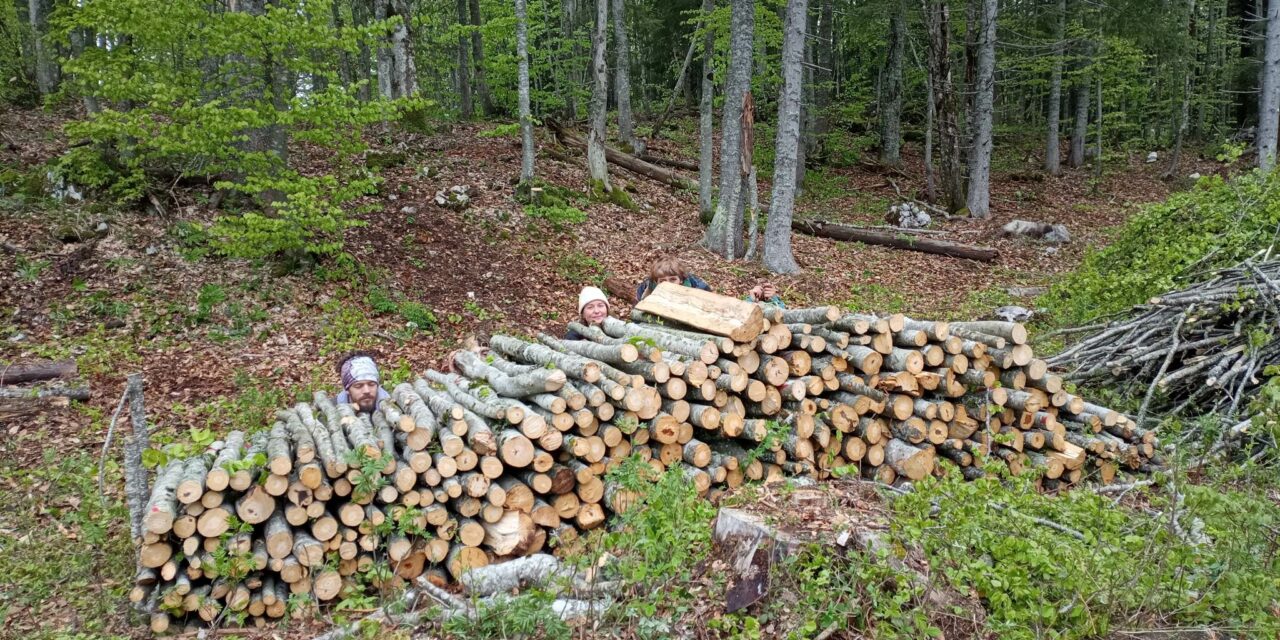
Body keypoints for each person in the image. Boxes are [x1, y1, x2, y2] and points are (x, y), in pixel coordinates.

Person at [635, 256, 785, 307]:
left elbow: (720, 310)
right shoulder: (647, 289)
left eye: (672, 279)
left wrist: (753, 300)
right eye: (663, 281)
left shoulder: (698, 288)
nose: (668, 284)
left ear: (681, 280)